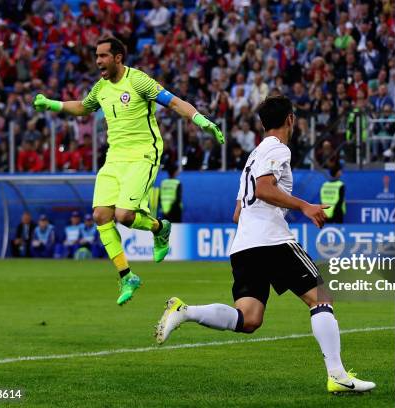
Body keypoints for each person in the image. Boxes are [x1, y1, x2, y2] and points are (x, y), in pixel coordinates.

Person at [155, 95, 375, 394]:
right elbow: (263, 189)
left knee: (249, 319)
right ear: (290, 120)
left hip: (244, 245)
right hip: (271, 240)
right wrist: (304, 206)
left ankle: (186, 311)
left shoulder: (253, 156)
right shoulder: (277, 148)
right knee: (321, 298)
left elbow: (237, 212)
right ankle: (337, 375)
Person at [33, 36, 225, 305]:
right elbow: (83, 108)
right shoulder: (101, 87)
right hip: (115, 158)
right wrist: (52, 104)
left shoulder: (138, 81)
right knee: (101, 215)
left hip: (143, 154)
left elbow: (173, 102)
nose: (98, 60)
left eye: (102, 56)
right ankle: (127, 276)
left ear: (118, 58)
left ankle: (160, 228)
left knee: (124, 215)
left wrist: (200, 119)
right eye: (96, 55)